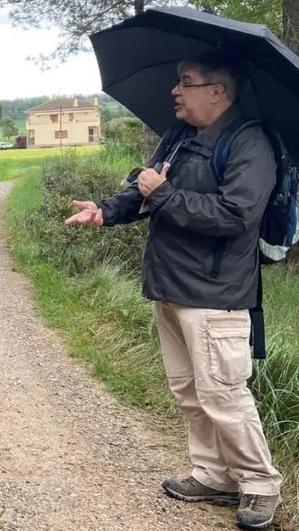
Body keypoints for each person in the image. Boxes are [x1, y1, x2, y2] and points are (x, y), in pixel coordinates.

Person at [65, 50, 282, 530]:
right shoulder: (180, 136)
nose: (175, 91)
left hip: (215, 293)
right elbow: (140, 186)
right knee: (189, 392)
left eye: (186, 82)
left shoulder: (250, 143)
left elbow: (235, 216)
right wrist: (105, 210)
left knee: (223, 395)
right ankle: (212, 474)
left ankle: (260, 484)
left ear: (218, 92)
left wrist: (162, 194)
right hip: (170, 285)